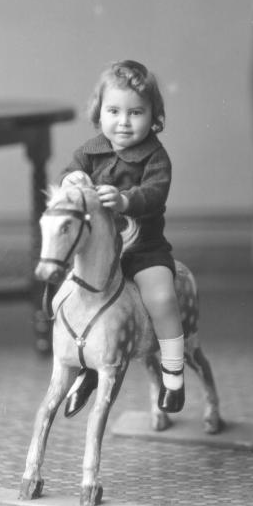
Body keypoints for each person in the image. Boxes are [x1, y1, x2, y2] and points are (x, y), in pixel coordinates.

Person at [59, 59, 184, 416]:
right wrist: (72, 181)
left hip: (142, 251)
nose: (124, 122)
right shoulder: (90, 150)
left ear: (153, 115)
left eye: (136, 112)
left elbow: (156, 193)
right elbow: (70, 171)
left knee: (161, 297)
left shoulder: (155, 157)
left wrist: (127, 200)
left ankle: (173, 375)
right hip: (100, 256)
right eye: (114, 111)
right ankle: (87, 368)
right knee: (71, 298)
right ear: (99, 113)